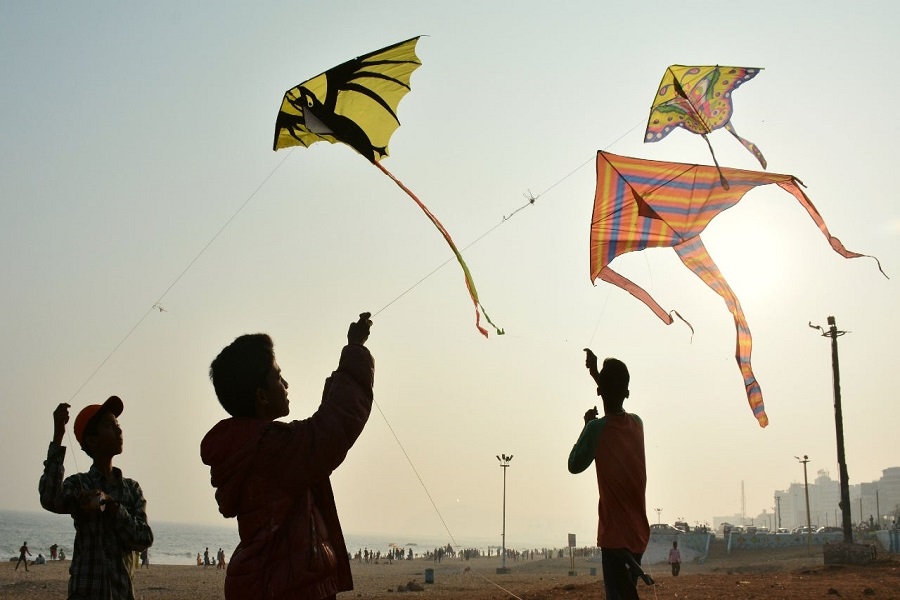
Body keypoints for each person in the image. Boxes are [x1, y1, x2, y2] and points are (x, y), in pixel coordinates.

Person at [201, 312, 375, 600]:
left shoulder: (259, 447)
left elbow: (312, 442)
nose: (286, 384)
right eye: (278, 377)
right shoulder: (269, 449)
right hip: (283, 588)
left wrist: (341, 373)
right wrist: (355, 348)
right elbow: (332, 429)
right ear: (262, 397)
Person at [39, 396, 154, 600]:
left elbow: (144, 538)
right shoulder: (80, 484)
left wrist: (113, 508)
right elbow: (50, 498)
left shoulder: (131, 488)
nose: (119, 431)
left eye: (118, 425)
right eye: (110, 426)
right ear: (92, 440)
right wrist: (58, 436)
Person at [568, 349, 649, 600]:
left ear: (599, 391)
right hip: (638, 536)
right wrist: (596, 375)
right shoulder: (637, 424)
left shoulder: (595, 429)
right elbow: (613, 403)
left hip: (615, 537)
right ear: (627, 393)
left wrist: (585, 426)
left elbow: (574, 464)